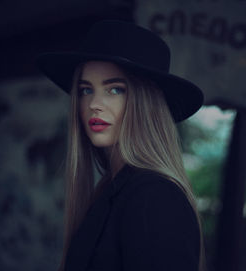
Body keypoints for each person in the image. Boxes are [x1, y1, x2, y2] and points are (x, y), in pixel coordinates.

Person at [36, 20, 206, 271]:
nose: (95, 103)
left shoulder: (154, 197)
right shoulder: (111, 189)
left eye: (115, 90)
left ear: (146, 103)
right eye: (86, 90)